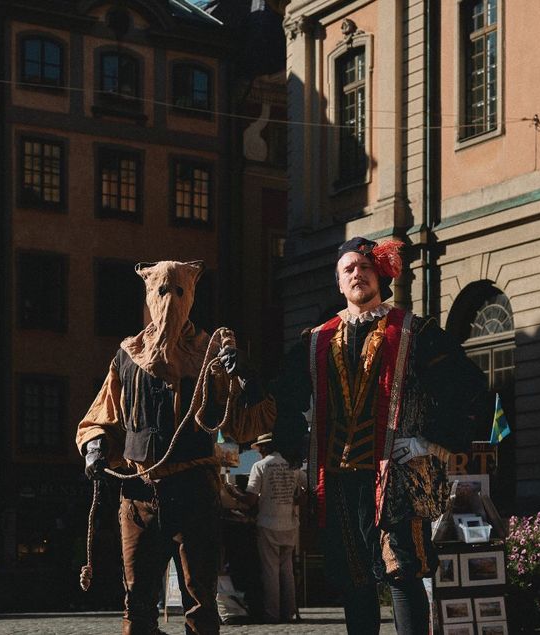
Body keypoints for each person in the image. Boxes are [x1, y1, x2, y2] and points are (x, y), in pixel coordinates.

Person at [272, 237, 490, 634]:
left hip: (397, 477)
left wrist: (427, 440)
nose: (357, 273)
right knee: (354, 581)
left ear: (380, 275)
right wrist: (298, 447)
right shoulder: (316, 339)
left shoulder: (415, 330)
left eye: (364, 267)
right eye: (348, 269)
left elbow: (466, 385)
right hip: (337, 480)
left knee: (402, 572)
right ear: (339, 283)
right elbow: (281, 395)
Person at [76, 259, 275, 635]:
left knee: (200, 602)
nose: (169, 300)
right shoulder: (128, 357)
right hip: (139, 494)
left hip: (195, 493)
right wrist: (95, 448)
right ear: (150, 294)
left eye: (179, 291)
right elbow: (102, 414)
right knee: (137, 601)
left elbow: (249, 424)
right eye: (161, 291)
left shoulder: (210, 357)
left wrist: (247, 376)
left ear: (191, 296)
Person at [239, 433, 304, 624]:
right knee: (287, 570)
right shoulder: (292, 464)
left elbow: (251, 499)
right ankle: (289, 612)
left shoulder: (260, 466)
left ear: (264, 448)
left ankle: (272, 614)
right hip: (290, 523)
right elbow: (308, 486)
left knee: (270, 571)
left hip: (268, 523)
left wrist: (235, 494)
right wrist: (296, 501)